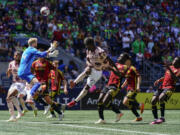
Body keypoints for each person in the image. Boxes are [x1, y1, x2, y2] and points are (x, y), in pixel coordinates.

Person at [67, 37, 120, 107]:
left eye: (87, 45)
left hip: (98, 72)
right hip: (91, 68)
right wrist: (89, 64)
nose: (86, 47)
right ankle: (74, 87)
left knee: (86, 87)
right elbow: (87, 60)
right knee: (87, 69)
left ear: (91, 44)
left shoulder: (100, 52)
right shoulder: (88, 51)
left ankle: (75, 96)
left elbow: (109, 60)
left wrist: (116, 69)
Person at [95, 53, 131, 124]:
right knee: (99, 100)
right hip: (108, 85)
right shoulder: (116, 64)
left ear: (125, 59)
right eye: (119, 55)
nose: (119, 57)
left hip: (115, 87)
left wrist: (111, 68)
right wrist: (105, 58)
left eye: (121, 56)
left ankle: (118, 112)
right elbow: (109, 62)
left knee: (105, 101)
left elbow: (120, 75)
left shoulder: (125, 67)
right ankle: (102, 119)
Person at [31, 55, 65, 120]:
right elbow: (32, 71)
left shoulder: (47, 63)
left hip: (44, 83)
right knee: (48, 100)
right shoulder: (34, 63)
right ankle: (60, 112)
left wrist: (55, 79)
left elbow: (55, 69)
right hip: (37, 82)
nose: (42, 56)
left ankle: (46, 105)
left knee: (34, 94)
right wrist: (32, 77)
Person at [150, 57, 180, 124]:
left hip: (170, 87)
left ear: (178, 63)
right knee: (153, 101)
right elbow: (166, 76)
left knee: (161, 98)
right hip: (162, 86)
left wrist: (169, 68)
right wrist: (159, 80)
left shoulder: (178, 70)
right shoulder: (170, 67)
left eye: (175, 60)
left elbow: (176, 79)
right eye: (174, 59)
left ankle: (162, 118)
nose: (174, 61)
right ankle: (155, 119)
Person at [122, 56, 144, 122]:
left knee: (125, 101)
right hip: (128, 89)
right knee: (129, 103)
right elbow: (127, 79)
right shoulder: (126, 69)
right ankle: (138, 117)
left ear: (129, 61)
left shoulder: (133, 68)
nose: (124, 62)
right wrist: (123, 85)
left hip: (133, 88)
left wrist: (138, 86)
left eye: (125, 60)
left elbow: (139, 76)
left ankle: (140, 105)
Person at [6, 51, 25, 122]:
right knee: (8, 99)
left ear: (21, 56)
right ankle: (13, 116)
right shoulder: (11, 63)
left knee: (10, 97)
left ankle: (19, 112)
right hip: (14, 83)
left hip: (21, 83)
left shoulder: (23, 63)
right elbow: (8, 75)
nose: (17, 56)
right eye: (16, 55)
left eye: (19, 55)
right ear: (14, 56)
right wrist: (8, 71)